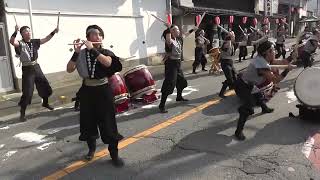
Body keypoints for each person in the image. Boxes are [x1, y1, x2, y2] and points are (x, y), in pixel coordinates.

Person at [66, 25, 124, 167]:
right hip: (87, 91)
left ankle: (114, 154)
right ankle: (91, 150)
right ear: (87, 38)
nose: (96, 36)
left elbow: (108, 63)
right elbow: (69, 69)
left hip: (103, 90)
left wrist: (93, 49)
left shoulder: (105, 52)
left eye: (98, 34)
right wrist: (76, 52)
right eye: (92, 34)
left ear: (102, 37)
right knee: (88, 122)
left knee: (108, 123)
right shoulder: (81, 53)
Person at [234, 40, 294, 140]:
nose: (275, 51)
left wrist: (292, 56)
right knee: (249, 107)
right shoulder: (261, 65)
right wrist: (287, 70)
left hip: (251, 83)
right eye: (273, 50)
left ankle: (264, 108)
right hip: (243, 85)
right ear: (267, 52)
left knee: (259, 95)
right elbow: (276, 80)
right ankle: (238, 131)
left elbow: (283, 62)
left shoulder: (265, 58)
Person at [9, 25, 58, 121]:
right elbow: (12, 42)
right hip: (27, 69)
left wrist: (53, 32)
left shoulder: (34, 42)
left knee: (44, 85)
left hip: (36, 66)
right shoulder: (20, 43)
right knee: (28, 91)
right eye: (26, 31)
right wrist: (15, 31)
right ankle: (22, 113)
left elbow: (46, 39)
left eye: (29, 31)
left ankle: (45, 103)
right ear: (22, 34)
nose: (28, 33)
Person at [159, 25, 189, 113]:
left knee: (182, 81)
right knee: (169, 84)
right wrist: (168, 28)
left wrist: (192, 30)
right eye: (176, 29)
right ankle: (162, 105)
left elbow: (185, 35)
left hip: (178, 64)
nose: (179, 31)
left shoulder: (178, 40)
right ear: (172, 32)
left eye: (178, 29)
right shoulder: (169, 41)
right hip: (171, 65)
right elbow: (168, 39)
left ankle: (179, 97)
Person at [218, 32, 237, 98]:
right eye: (233, 36)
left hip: (230, 62)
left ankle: (232, 86)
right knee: (230, 79)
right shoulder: (225, 43)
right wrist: (229, 37)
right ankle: (221, 93)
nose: (234, 36)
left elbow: (244, 43)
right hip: (225, 63)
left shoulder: (232, 43)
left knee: (235, 77)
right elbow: (226, 46)